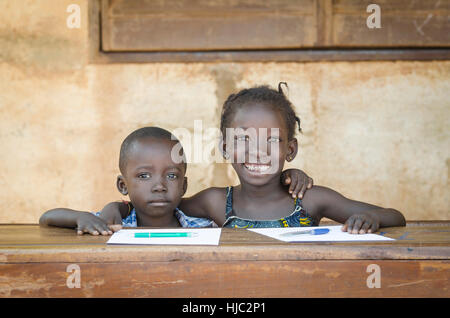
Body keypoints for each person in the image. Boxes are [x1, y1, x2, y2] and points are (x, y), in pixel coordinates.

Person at [102, 84, 405, 233]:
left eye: (271, 140)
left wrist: (373, 219)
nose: (257, 151)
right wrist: (112, 208)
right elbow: (155, 204)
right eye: (243, 140)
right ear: (224, 148)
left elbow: (395, 216)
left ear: (290, 150)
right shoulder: (215, 203)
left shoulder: (312, 199)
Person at [39, 127, 217, 235]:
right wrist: (80, 217)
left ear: (184, 186)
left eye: (171, 176)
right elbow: (47, 217)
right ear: (122, 185)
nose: (159, 186)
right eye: (144, 176)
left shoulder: (204, 228)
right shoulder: (110, 223)